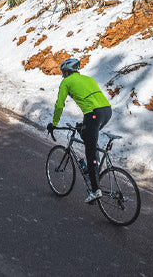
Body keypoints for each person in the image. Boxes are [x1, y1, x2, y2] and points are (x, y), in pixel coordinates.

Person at [46, 58, 112, 203]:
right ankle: (93, 167)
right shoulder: (88, 79)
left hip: (93, 114)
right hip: (106, 111)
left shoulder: (66, 82)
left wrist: (54, 123)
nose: (62, 75)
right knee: (84, 131)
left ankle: (95, 190)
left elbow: (59, 105)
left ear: (68, 71)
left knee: (89, 149)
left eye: (63, 72)